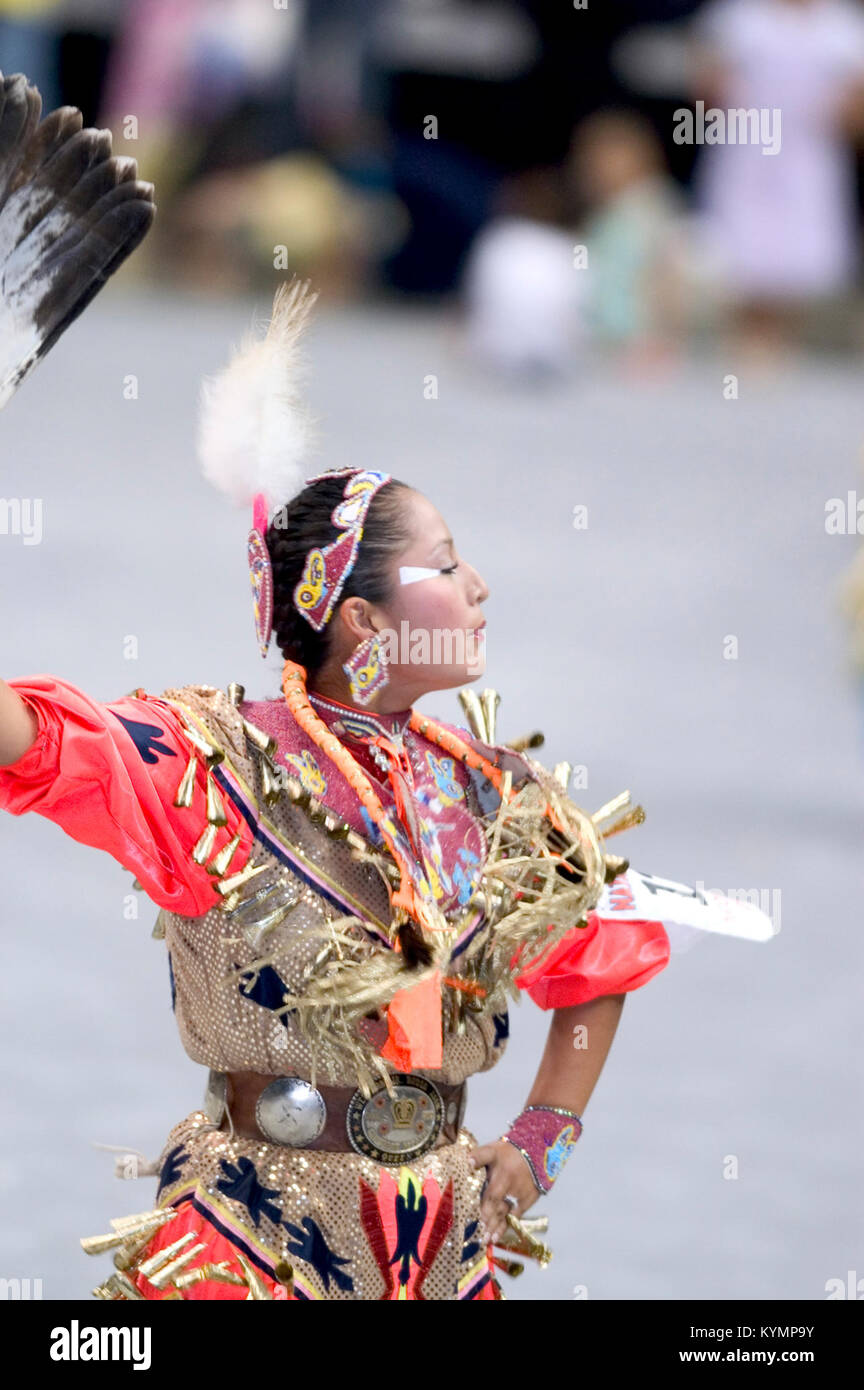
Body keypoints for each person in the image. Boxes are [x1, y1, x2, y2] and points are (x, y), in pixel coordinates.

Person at [0, 266, 676, 1300]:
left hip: (444, 1252)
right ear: (363, 622)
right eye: (447, 565)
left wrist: (546, 1137)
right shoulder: (207, 760)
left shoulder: (494, 796)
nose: (479, 585)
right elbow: (35, 738)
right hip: (249, 1233)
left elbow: (603, 956)